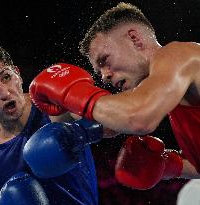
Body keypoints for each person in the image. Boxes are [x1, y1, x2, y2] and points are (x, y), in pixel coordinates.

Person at [28, 2, 200, 190]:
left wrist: (74, 93)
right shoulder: (174, 91)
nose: (104, 76)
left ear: (134, 39)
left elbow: (138, 118)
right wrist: (171, 165)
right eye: (99, 70)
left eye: (104, 60)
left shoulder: (177, 54)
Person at [0, 44, 103, 205]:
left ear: (18, 74)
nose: (5, 92)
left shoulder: (53, 104)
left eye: (6, 77)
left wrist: (78, 133)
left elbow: (112, 122)